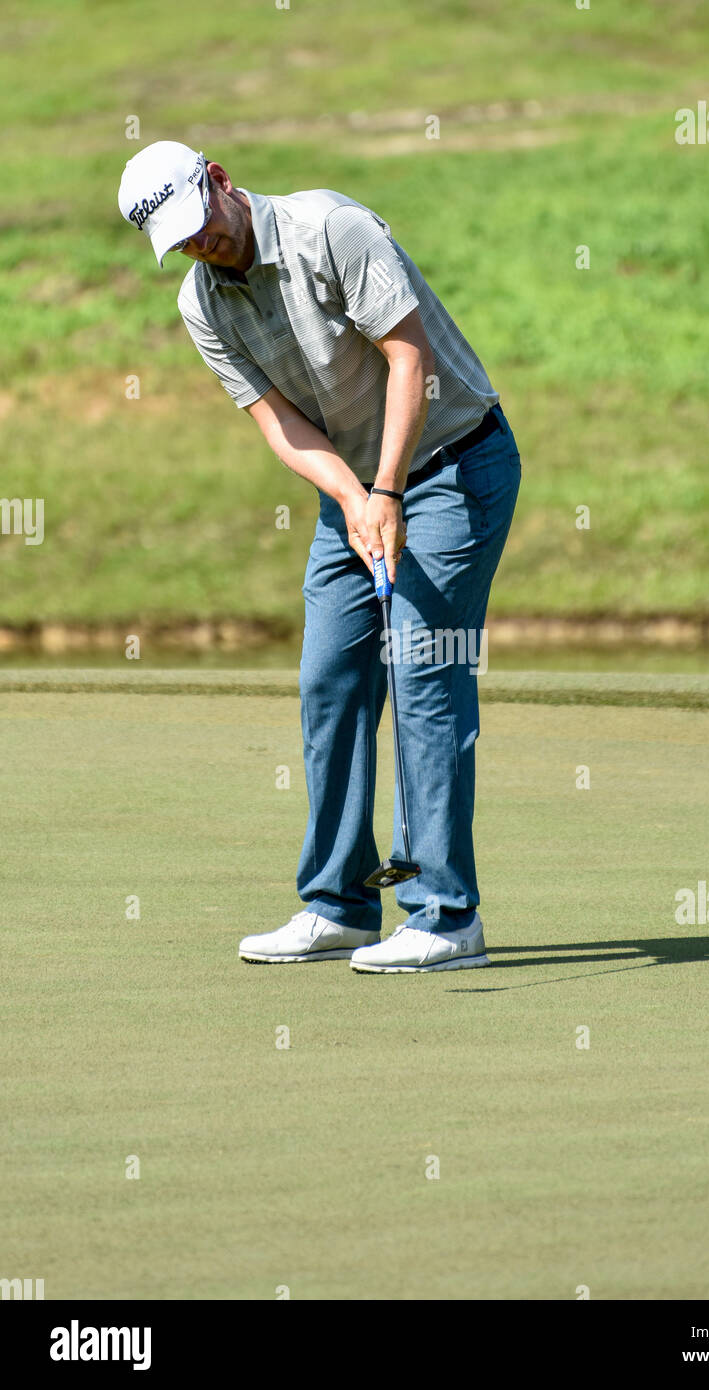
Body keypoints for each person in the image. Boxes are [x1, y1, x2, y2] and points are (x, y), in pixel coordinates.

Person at [117, 141, 521, 973]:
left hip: (451, 464)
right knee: (331, 678)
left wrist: (389, 491)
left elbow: (409, 359)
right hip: (354, 488)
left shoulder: (330, 229)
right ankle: (339, 904)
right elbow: (280, 426)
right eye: (183, 242)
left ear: (219, 180)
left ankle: (446, 915)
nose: (203, 246)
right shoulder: (203, 303)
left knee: (422, 671)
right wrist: (351, 495)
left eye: (202, 226)